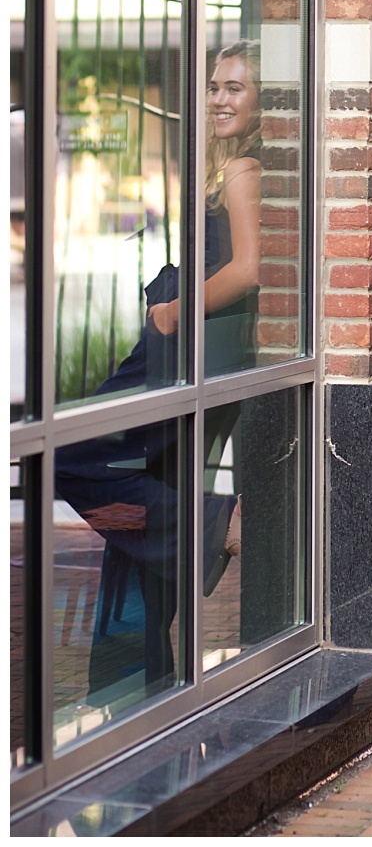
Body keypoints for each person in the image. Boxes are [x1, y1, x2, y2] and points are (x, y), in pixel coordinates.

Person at [53, 40, 263, 702]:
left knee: (72, 451)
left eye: (235, 87)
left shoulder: (243, 169)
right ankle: (134, 683)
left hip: (187, 347)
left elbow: (248, 268)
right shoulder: (229, 165)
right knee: (138, 520)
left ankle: (223, 523)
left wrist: (174, 308)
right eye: (214, 86)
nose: (219, 98)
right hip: (189, 346)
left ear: (264, 101)